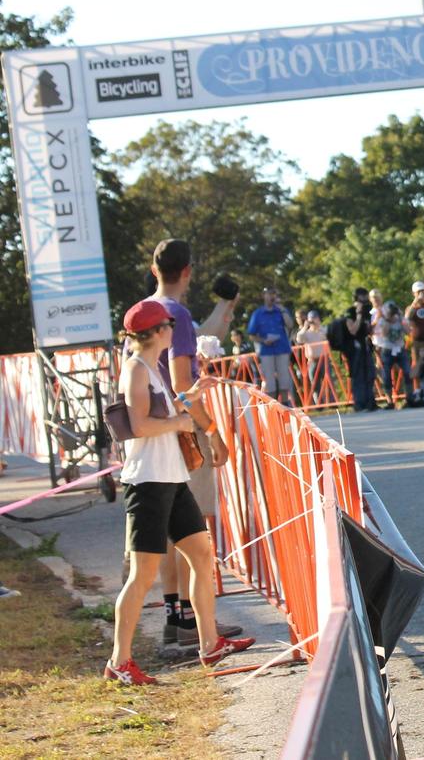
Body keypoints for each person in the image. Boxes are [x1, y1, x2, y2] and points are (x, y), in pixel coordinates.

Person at [106, 300, 254, 684]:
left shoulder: (152, 368)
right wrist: (182, 420)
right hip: (148, 482)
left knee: (202, 554)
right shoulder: (136, 370)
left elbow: (170, 410)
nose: (174, 329)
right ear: (156, 331)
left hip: (170, 478)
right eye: (169, 324)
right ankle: (119, 661)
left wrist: (192, 400)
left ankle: (209, 644)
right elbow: (139, 426)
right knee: (142, 575)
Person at [148, 239, 241, 654]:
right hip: (184, 431)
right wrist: (213, 429)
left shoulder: (143, 313)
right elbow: (182, 383)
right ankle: (195, 618)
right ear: (187, 271)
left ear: (155, 271)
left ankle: (177, 616)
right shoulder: (178, 314)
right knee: (192, 530)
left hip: (152, 431)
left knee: (170, 528)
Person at [246, 287, 296, 406]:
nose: (271, 297)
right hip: (266, 350)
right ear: (264, 295)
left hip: (282, 348)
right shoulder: (258, 314)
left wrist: (282, 309)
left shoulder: (281, 311)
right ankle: (272, 406)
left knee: (284, 378)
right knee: (269, 381)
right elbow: (251, 334)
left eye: (273, 294)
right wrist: (263, 340)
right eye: (269, 294)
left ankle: (285, 404)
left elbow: (290, 325)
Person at [343, 288, 377, 411]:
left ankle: (370, 402)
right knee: (358, 376)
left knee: (370, 374)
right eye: (363, 297)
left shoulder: (367, 312)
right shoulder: (350, 311)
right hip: (354, 348)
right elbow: (352, 330)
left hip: (365, 345)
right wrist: (358, 315)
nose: (365, 300)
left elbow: (369, 330)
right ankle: (359, 403)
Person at [295, 310, 331, 405]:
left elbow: (327, 336)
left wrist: (318, 327)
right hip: (312, 361)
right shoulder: (306, 333)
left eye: (314, 319)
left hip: (324, 359)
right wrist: (305, 326)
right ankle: (319, 404)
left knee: (329, 382)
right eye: (311, 319)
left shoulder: (323, 330)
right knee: (315, 384)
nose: (313, 321)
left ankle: (331, 402)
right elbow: (299, 338)